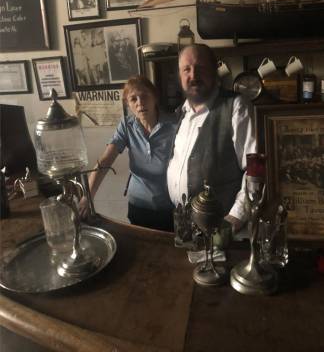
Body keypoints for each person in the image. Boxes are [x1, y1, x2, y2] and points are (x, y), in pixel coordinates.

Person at [167, 44, 257, 234]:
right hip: (185, 227)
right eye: (186, 69)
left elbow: (255, 169)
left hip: (223, 230)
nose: (193, 76)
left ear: (214, 71)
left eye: (200, 68)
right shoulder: (181, 113)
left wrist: (235, 217)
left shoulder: (236, 106)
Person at [79, 76, 176, 231]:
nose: (140, 103)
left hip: (169, 205)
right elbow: (105, 161)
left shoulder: (174, 124)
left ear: (155, 97)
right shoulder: (127, 126)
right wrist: (87, 197)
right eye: (133, 99)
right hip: (138, 205)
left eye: (144, 96)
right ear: (128, 104)